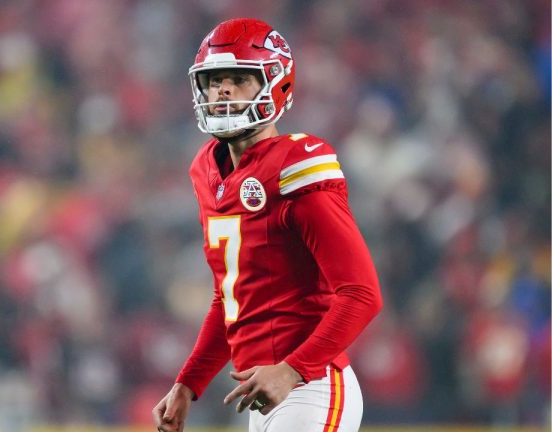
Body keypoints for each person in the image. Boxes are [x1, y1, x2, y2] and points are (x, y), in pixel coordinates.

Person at [152, 18, 383, 432]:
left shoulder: (296, 164)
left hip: (312, 387)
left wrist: (292, 370)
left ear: (275, 84)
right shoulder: (206, 168)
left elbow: (362, 293)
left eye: (238, 79)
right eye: (214, 79)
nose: (221, 90)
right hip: (263, 396)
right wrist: (188, 383)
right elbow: (232, 300)